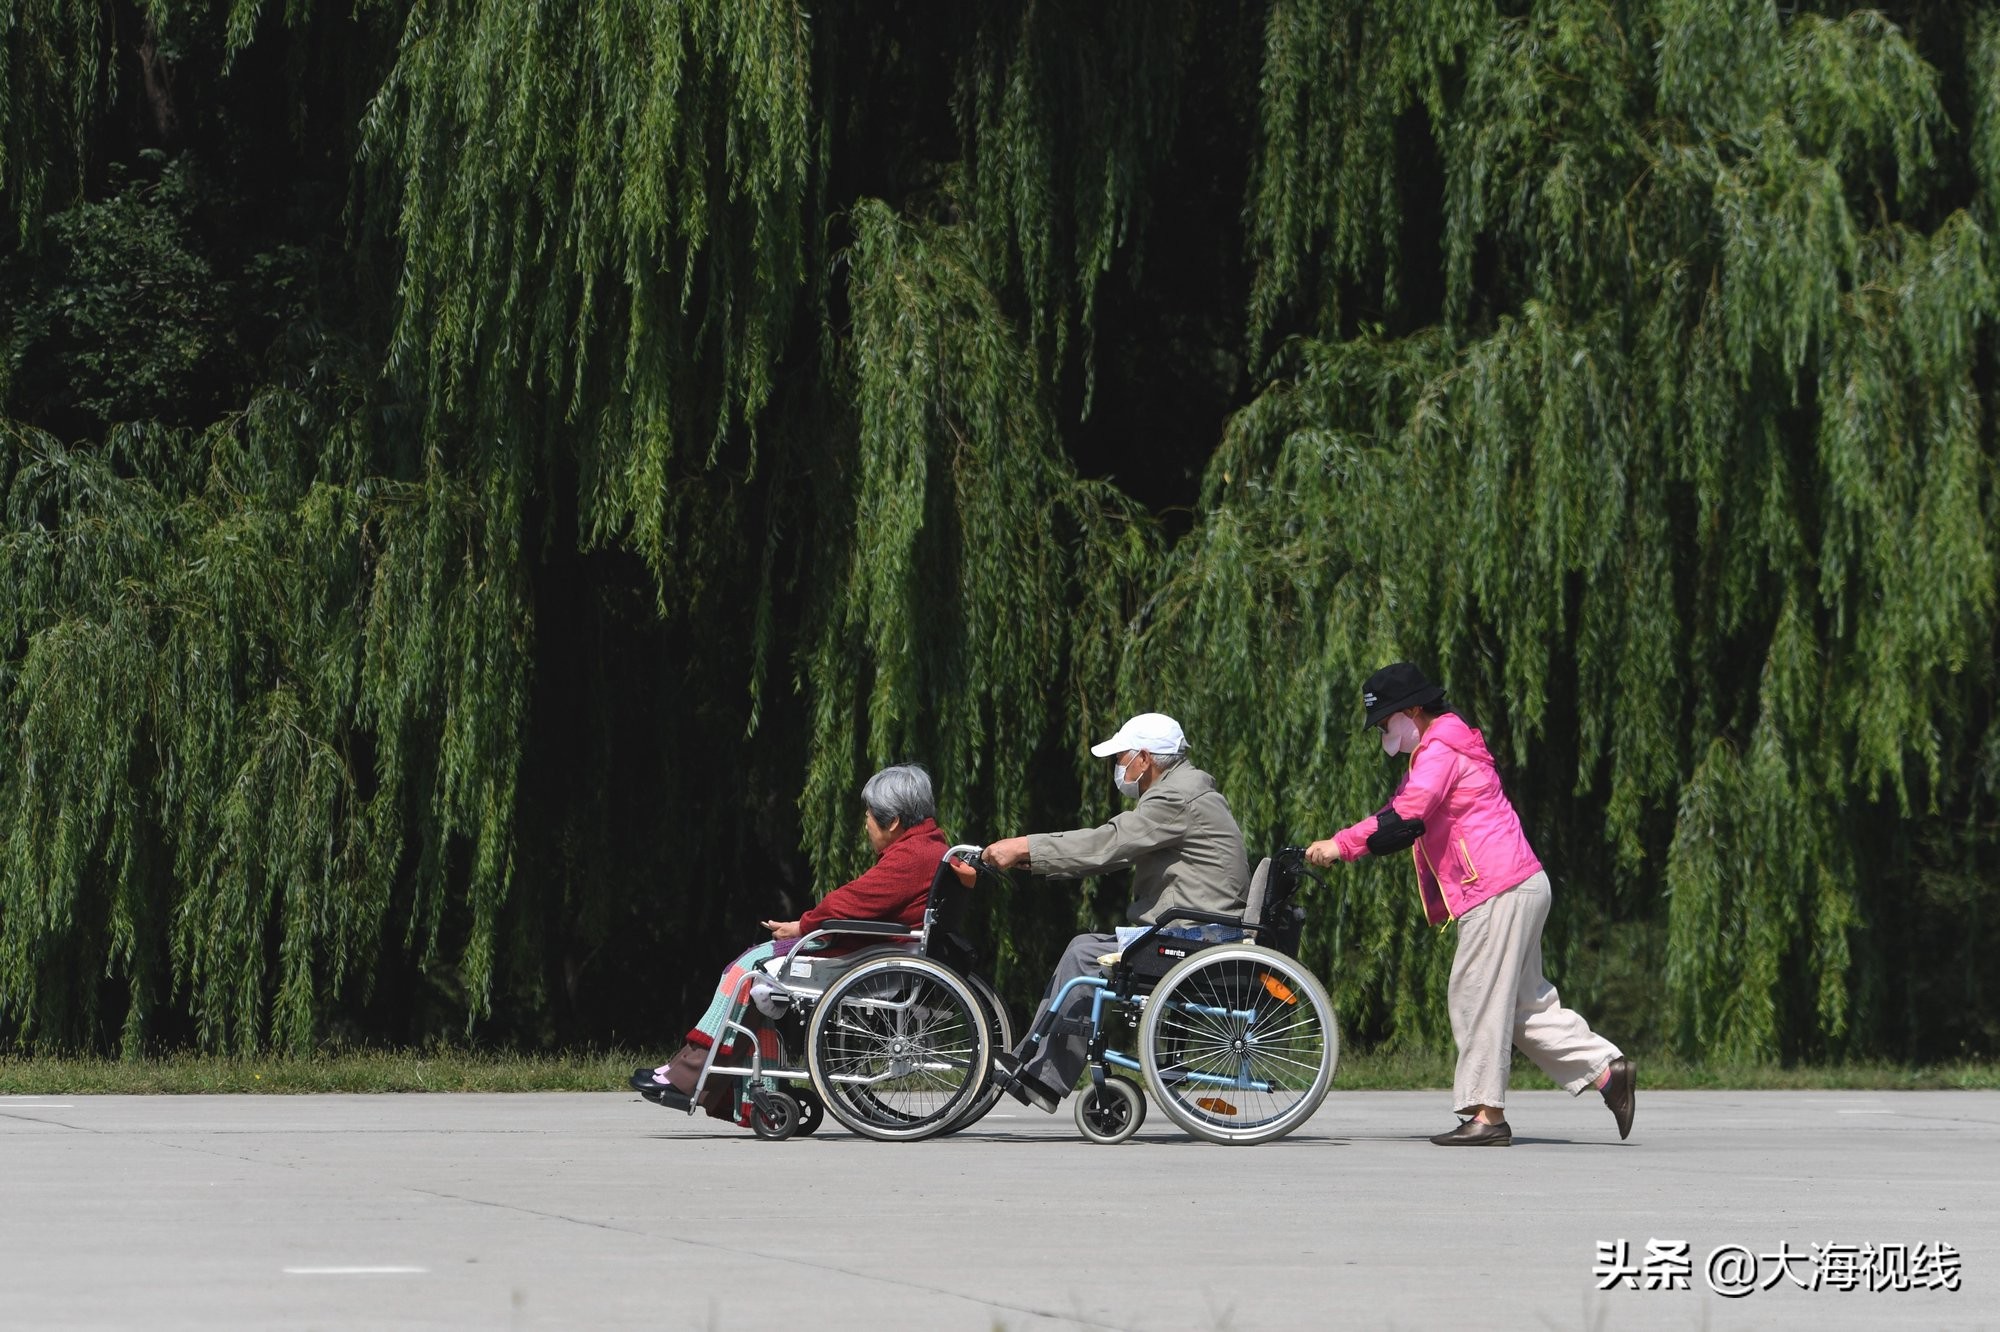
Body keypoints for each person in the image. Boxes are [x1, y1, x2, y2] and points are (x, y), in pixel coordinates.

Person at [1305, 662, 1635, 1146]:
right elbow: (1402, 812)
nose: (1382, 731)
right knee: (1524, 1008)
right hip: (1517, 882)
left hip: (1495, 888)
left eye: (1385, 720)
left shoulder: (1439, 747)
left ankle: (1487, 1116)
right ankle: (1608, 1073)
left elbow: (1408, 814)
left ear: (1413, 710)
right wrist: (1345, 841)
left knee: (1475, 995)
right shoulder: (1446, 746)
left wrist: (1342, 845)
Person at [630, 763, 947, 1114]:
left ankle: (689, 1076)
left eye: (869, 815)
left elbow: (851, 902)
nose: (865, 823)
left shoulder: (911, 857)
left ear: (893, 822)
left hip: (869, 954)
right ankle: (727, 1086)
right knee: (753, 965)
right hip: (878, 947)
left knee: (747, 972)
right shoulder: (931, 847)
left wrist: (803, 926)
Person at [981, 713, 1248, 1112]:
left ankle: (1042, 1076)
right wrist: (1036, 860)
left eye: (1121, 758)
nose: (1118, 768)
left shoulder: (1174, 797)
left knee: (1083, 953)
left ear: (1145, 758)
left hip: (1194, 934)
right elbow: (1111, 853)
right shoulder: (1190, 790)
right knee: (1088, 946)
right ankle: (1040, 1070)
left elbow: (1110, 843)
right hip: (1201, 927)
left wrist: (1026, 848)